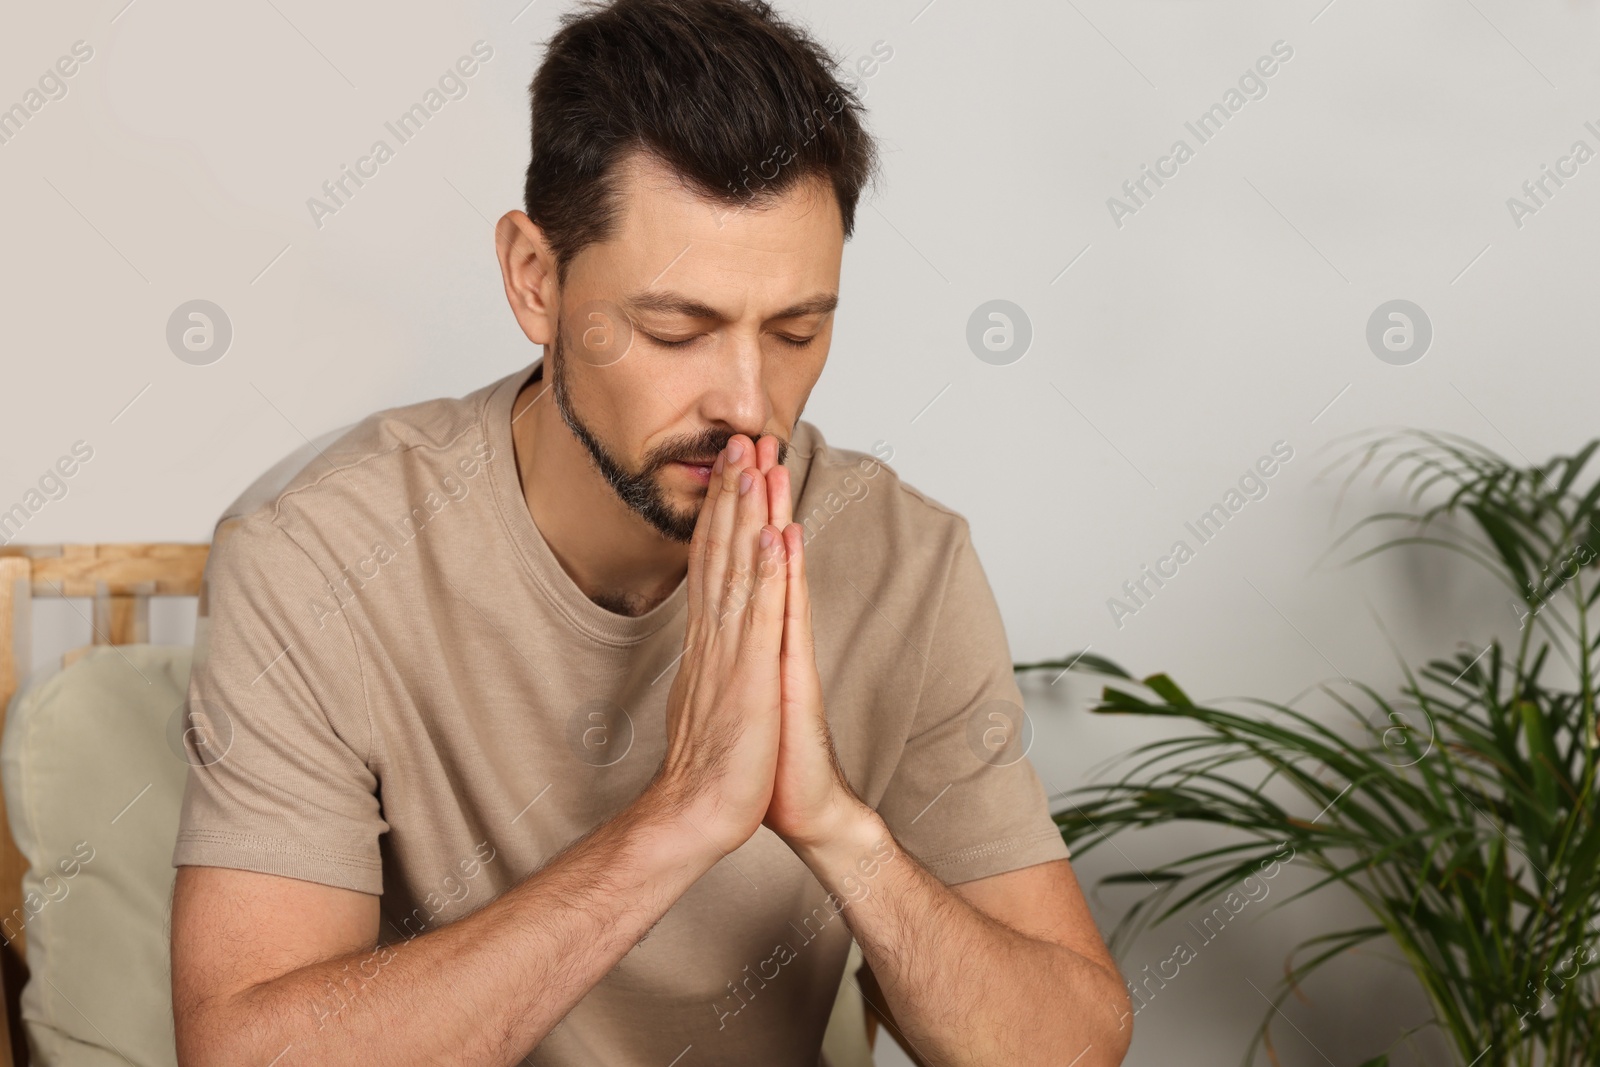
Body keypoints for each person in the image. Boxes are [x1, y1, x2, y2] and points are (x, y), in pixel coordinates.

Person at [168, 1, 1131, 1063]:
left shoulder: (907, 559)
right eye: (677, 328)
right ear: (535, 279)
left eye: (797, 329)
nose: (748, 400)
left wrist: (836, 826)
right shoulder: (316, 555)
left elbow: (1070, 1047)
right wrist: (675, 820)